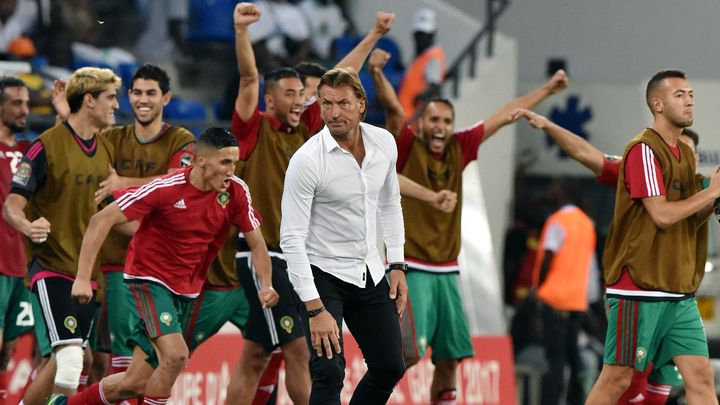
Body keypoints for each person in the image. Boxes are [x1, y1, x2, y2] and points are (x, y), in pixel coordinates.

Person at [372, 51, 569, 402]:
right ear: (422, 123)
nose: (440, 127)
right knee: (405, 356)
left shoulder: (460, 146)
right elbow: (392, 110)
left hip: (448, 272)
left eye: (447, 121)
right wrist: (376, 72)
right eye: (434, 120)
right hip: (412, 268)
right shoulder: (406, 144)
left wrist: (548, 90)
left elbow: (508, 113)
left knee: (450, 360)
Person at [225, 4, 396, 404]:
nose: (300, 101)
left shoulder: (305, 130)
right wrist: (241, 32)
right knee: (301, 351)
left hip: (295, 257)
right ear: (269, 100)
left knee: (256, 355)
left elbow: (342, 77)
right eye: (290, 94)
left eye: (303, 95)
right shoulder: (253, 130)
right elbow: (249, 77)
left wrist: (372, 36)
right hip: (265, 254)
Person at [54, 127, 275, 405]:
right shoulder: (167, 188)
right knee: (175, 355)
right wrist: (83, 278)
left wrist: (266, 284)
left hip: (185, 291)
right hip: (148, 279)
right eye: (225, 162)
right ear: (201, 161)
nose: (232, 170)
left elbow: (257, 244)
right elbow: (101, 220)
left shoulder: (236, 192)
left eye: (235, 162)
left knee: (134, 383)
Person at [511, 109, 704, 405]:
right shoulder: (638, 174)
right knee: (626, 386)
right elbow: (585, 153)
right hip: (638, 298)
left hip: (678, 303)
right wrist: (549, 126)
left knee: (669, 390)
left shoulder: (702, 190)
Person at [582, 69, 720, 405]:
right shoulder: (642, 150)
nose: (689, 100)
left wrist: (715, 201)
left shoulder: (685, 154)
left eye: (691, 94)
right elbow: (661, 215)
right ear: (657, 104)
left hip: (678, 292)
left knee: (701, 378)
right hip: (640, 288)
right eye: (679, 95)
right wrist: (713, 191)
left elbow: (688, 217)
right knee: (617, 379)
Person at [280, 66, 407, 404]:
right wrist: (314, 308)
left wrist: (397, 263)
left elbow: (390, 203)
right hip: (322, 273)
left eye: (343, 104)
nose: (334, 113)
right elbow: (291, 239)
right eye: (326, 104)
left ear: (362, 104)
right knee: (329, 372)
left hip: (369, 270)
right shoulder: (306, 160)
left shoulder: (384, 142)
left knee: (391, 366)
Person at [2, 67, 120, 404]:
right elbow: (12, 203)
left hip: (88, 273)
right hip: (51, 266)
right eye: (110, 98)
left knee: (68, 361)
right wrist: (26, 225)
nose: (116, 105)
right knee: (70, 361)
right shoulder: (45, 146)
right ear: (89, 100)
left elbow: (111, 213)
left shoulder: (104, 150)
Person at [92, 63, 196, 380]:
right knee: (108, 360)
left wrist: (123, 180)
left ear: (166, 98)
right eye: (136, 92)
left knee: (148, 361)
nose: (143, 99)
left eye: (151, 93)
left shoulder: (181, 139)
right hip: (115, 264)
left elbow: (178, 182)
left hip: (159, 269)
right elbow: (101, 197)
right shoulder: (112, 138)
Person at [532, 179, 596, 405]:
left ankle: (550, 401)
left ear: (564, 192)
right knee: (574, 356)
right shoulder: (586, 224)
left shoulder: (558, 221)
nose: (550, 190)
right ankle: (576, 400)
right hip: (576, 300)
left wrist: (538, 287)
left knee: (555, 358)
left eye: (555, 187)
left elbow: (548, 256)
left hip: (555, 298)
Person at [0, 76, 32, 400]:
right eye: (16, 103)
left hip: (20, 264)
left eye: (26, 103)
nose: (25, 110)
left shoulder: (27, 151)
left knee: (8, 349)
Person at [398, 8, 445, 119]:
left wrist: (420, 97)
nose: (421, 38)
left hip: (413, 124)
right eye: (419, 34)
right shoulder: (419, 57)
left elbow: (434, 87)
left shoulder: (433, 57)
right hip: (404, 121)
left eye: (425, 34)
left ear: (433, 34)